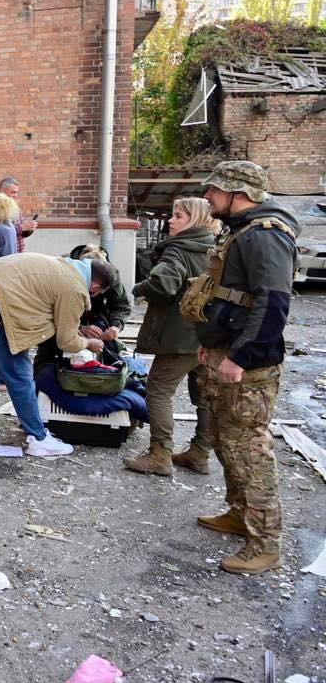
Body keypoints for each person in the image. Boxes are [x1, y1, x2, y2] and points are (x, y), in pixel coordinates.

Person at [192, 161, 299, 575]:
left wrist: (241, 356)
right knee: (225, 440)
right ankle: (240, 515)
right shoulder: (241, 230)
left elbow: (273, 305)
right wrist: (214, 348)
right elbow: (229, 297)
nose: (210, 197)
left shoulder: (266, 236)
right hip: (226, 352)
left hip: (248, 366)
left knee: (250, 451)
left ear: (240, 192)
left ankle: (265, 544)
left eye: (216, 190)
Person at [0, 252, 116, 457]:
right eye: (96, 294)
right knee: (21, 378)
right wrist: (89, 342)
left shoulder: (64, 266)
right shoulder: (76, 287)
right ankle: (38, 438)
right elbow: (66, 341)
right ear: (95, 288)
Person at [123, 197, 219, 477]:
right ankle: (200, 453)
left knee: (158, 391)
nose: (170, 220)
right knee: (204, 395)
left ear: (194, 219)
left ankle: (160, 454)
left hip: (179, 335)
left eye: (178, 216)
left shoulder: (177, 250)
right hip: (206, 335)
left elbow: (163, 284)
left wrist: (140, 288)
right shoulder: (212, 248)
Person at [0, 176, 39, 252]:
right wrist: (21, 228)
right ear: (2, 191)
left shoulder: (15, 208)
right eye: (13, 192)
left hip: (19, 253)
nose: (15, 195)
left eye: (16, 192)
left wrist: (29, 229)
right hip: (1, 257)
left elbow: (21, 234)